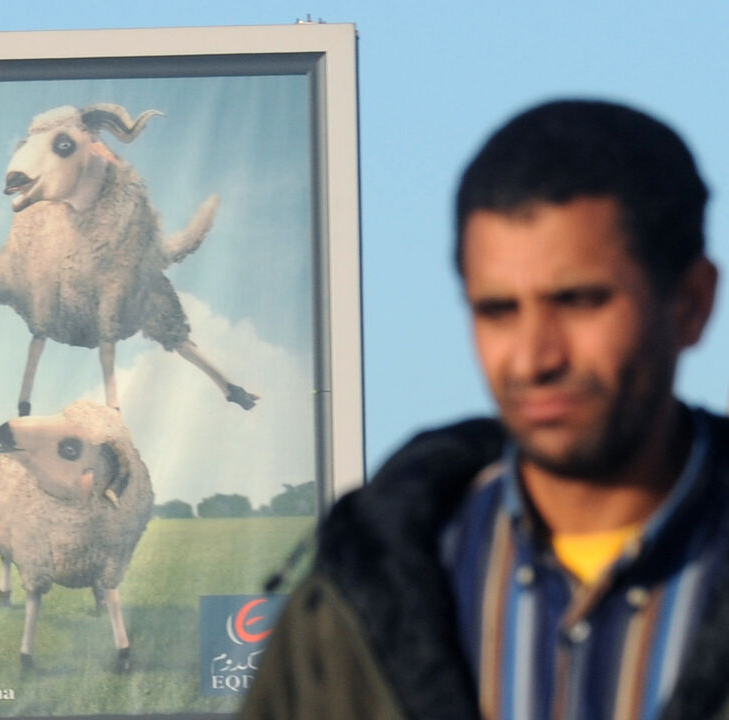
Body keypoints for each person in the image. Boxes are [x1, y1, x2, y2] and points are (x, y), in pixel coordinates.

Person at [240, 99, 726, 720]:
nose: (533, 358)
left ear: (691, 302)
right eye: (498, 310)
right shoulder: (359, 599)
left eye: (578, 302)